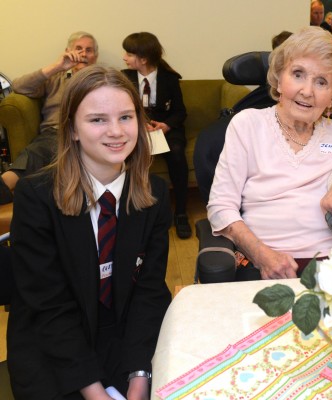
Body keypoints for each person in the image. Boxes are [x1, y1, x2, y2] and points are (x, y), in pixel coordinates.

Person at [7, 65, 172, 399]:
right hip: (53, 340)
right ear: (72, 130)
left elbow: (149, 291)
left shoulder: (154, 193)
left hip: (121, 331)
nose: (116, 131)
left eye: (126, 117)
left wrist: (140, 375)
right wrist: (95, 392)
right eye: (98, 120)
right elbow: (49, 308)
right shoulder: (36, 197)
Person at [207, 27, 332, 281]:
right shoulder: (248, 125)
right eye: (298, 74)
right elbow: (220, 207)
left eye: (321, 82)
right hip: (263, 263)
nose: (307, 91)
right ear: (279, 79)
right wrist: (262, 255)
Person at [0, 31, 98, 204]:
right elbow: (18, 86)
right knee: (40, 150)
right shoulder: (56, 77)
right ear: (68, 51)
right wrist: (57, 66)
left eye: (89, 50)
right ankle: (4, 186)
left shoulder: (103, 79)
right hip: (56, 132)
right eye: (79, 49)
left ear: (95, 56)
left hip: (91, 135)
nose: (83, 54)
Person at [122, 32, 191, 239]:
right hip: (136, 127)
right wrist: (138, 125)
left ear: (143, 59)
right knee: (127, 155)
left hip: (164, 127)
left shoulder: (170, 79)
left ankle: (180, 212)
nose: (124, 57)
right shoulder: (124, 78)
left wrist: (166, 126)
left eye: (128, 53)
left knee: (177, 153)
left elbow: (180, 112)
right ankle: (134, 210)